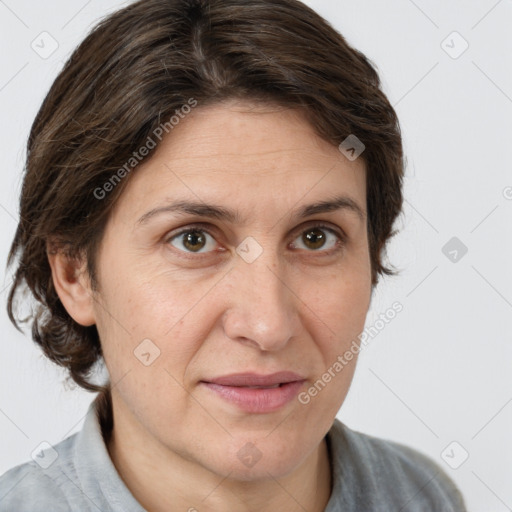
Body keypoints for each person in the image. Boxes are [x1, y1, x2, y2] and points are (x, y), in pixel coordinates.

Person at [0, 0, 467, 510]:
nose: (268, 325)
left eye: (316, 237)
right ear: (74, 272)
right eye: (193, 239)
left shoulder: (422, 497)